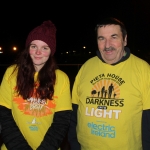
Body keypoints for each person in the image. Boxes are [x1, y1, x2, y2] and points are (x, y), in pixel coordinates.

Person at [68, 17, 150, 150]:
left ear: (125, 39)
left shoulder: (143, 70)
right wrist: (74, 145)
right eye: (101, 38)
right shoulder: (86, 67)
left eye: (114, 37)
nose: (107, 45)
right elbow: (74, 113)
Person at [0, 20, 72, 150]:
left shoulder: (62, 78)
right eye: (34, 46)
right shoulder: (11, 73)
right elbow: (4, 116)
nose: (38, 52)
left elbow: (61, 122)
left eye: (45, 48)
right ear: (28, 48)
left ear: (51, 51)